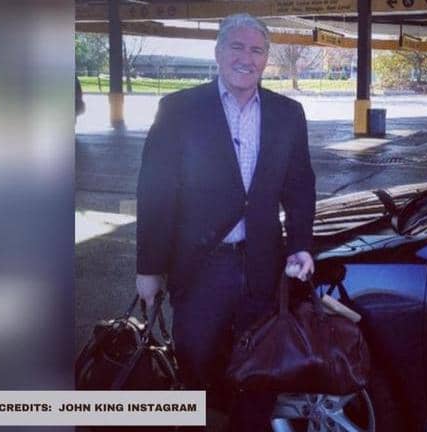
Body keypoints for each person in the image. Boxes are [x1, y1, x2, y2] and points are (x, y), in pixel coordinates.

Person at [134, 13, 316, 431]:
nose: (246, 58)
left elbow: (300, 186)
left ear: (266, 59)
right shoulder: (179, 109)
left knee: (260, 369)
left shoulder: (288, 113)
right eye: (237, 47)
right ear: (218, 53)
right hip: (201, 268)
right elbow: (155, 193)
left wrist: (300, 245)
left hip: (263, 268)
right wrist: (148, 268)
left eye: (256, 50)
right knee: (197, 361)